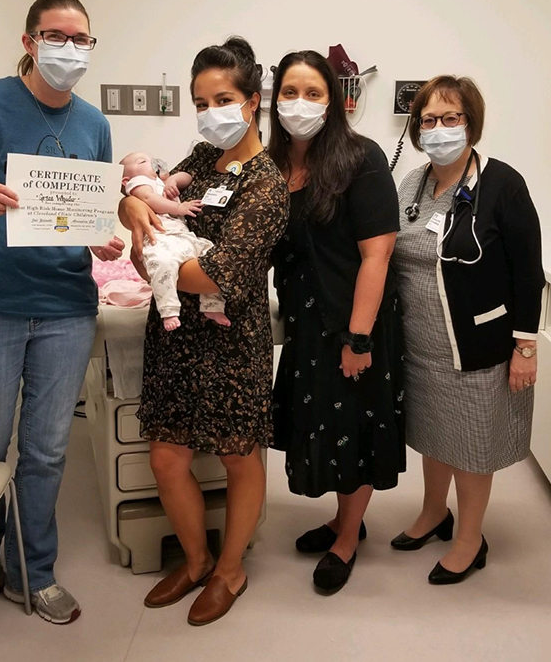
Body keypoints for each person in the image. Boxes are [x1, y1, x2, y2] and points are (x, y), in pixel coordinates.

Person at [0, 0, 124, 624]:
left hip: (64, 308)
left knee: (48, 449)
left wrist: (100, 234)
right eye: (57, 36)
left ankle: (35, 572)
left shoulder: (94, 124)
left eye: (82, 40)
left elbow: (84, 215)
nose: (70, 50)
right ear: (29, 42)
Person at [119, 37, 289, 626]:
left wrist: (150, 252)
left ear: (252, 101)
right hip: (173, 337)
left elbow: (219, 273)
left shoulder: (268, 185)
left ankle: (230, 569)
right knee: (167, 458)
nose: (210, 111)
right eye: (200, 100)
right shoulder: (201, 155)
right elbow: (141, 200)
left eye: (223, 98)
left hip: (229, 341)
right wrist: (135, 212)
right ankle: (195, 560)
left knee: (240, 457)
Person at [391, 75, 545, 584]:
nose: (438, 129)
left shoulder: (502, 183)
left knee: (472, 446)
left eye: (450, 118)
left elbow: (528, 268)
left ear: (471, 124)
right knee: (435, 437)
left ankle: (469, 539)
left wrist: (526, 345)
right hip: (420, 345)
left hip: (478, 345)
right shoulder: (411, 182)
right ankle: (435, 511)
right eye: (428, 120)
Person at [269, 51, 406, 594]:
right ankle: (340, 518)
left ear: (334, 101)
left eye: (313, 93)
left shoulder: (360, 158)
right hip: (306, 322)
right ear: (272, 99)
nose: (299, 104)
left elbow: (377, 256)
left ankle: (348, 536)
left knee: (353, 427)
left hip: (354, 322)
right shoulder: (273, 165)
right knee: (322, 422)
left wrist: (359, 338)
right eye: (289, 92)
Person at [120, 151, 229, 330]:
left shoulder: (161, 182)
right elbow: (149, 199)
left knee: (211, 255)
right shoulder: (138, 183)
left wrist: (172, 180)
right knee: (163, 264)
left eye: (150, 158)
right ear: (126, 180)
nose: (151, 161)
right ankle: (168, 309)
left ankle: (212, 305)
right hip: (159, 238)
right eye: (142, 161)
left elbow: (187, 176)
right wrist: (178, 207)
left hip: (183, 238)